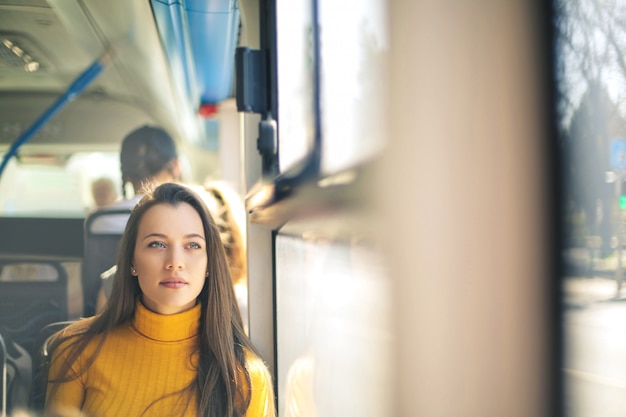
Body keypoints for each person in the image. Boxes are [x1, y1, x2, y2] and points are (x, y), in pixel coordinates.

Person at [45, 182, 275, 417]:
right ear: (132, 261)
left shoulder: (246, 376)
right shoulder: (75, 350)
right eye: (157, 244)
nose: (175, 261)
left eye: (192, 245)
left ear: (209, 263)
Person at [83, 125, 181, 316]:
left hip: (105, 313)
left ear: (125, 172)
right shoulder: (186, 219)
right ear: (175, 165)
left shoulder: (99, 221)